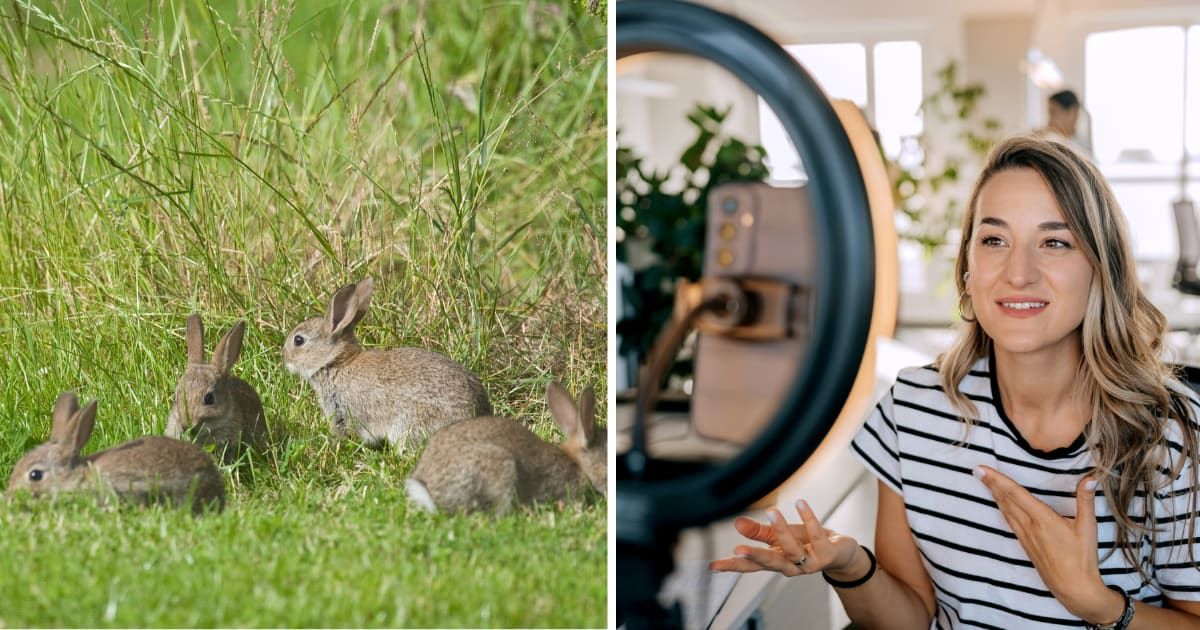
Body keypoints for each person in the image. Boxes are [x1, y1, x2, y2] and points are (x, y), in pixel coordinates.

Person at [710, 135, 1200, 628]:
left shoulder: (1171, 435)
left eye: (1055, 242)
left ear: (1102, 268)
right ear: (967, 266)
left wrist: (1096, 604)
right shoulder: (913, 409)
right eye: (994, 240)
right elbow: (911, 619)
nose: (1018, 273)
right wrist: (850, 565)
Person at [1037, 89, 1093, 158]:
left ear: (1073, 112)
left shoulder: (1081, 148)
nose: (1050, 121)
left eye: (1054, 113)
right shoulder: (1051, 139)